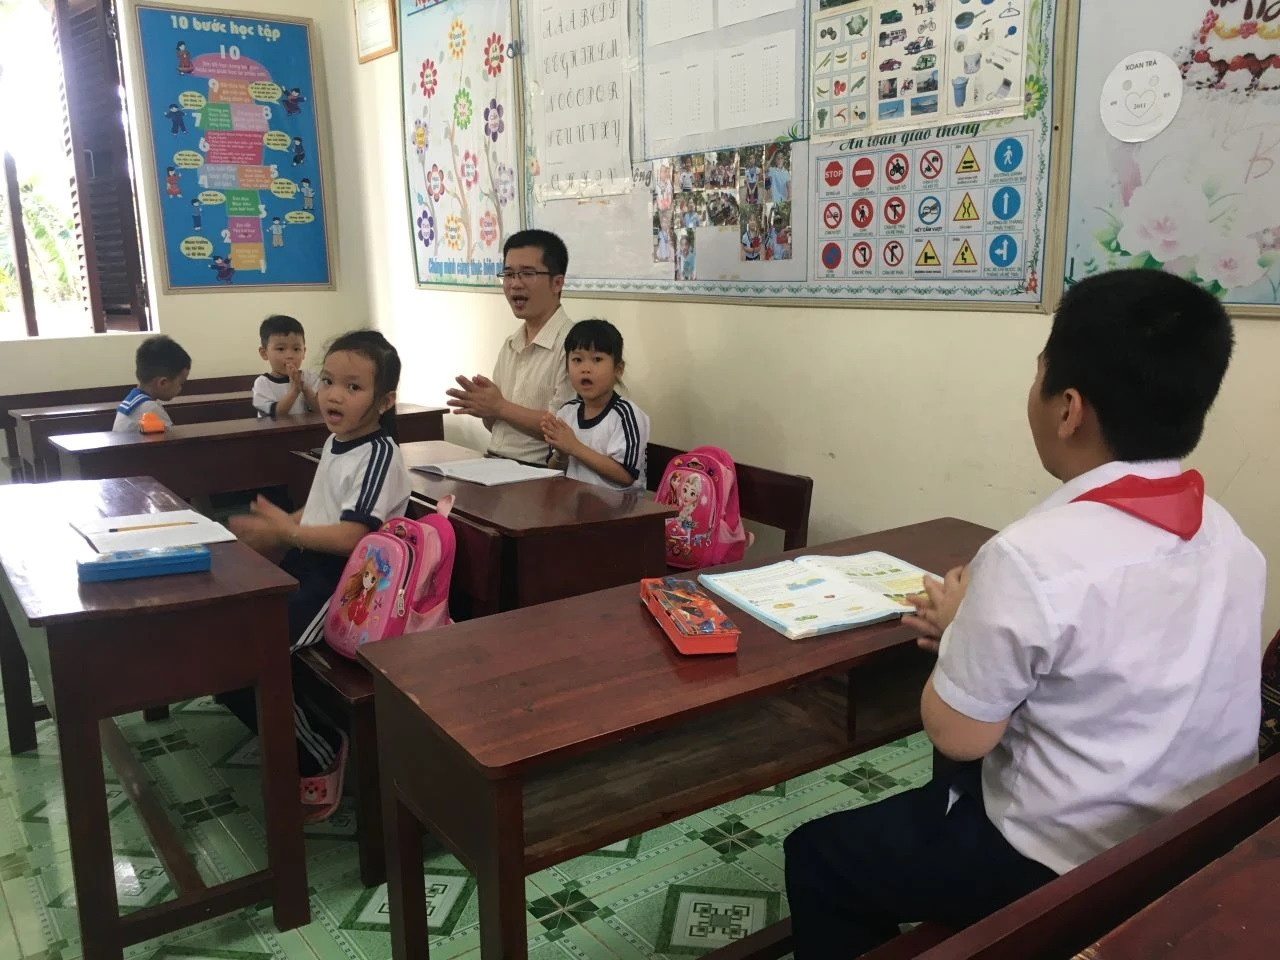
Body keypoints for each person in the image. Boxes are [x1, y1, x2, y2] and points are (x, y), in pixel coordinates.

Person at [784, 269, 1264, 959]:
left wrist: (961, 627)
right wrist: (974, 622)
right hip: (1191, 836)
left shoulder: (1030, 556)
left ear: (1069, 409)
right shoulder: (1229, 538)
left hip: (1066, 862)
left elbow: (957, 735)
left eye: (1038, 376)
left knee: (819, 855)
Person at [226, 330, 412, 823]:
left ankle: (320, 750)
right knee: (226, 644)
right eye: (328, 381)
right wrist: (282, 531)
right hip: (311, 564)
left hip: (347, 583)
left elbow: (353, 537)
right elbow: (324, 509)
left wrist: (289, 532)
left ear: (385, 400)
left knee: (251, 657)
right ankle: (294, 737)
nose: (333, 394)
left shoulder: (379, 454)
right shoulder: (337, 442)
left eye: (353, 387)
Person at [446, 229, 575, 464]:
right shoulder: (511, 344)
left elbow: (562, 428)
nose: (515, 284)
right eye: (508, 274)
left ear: (557, 282)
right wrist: (485, 408)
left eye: (527, 273)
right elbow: (496, 424)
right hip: (495, 462)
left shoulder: (573, 345)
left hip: (541, 473)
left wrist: (499, 406)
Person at [541, 319, 649, 490]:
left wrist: (574, 447)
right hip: (574, 506)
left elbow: (626, 475)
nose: (586, 368)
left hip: (619, 511)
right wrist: (562, 454)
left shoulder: (626, 415)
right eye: (577, 360)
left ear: (618, 369)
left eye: (597, 359)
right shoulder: (566, 412)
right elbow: (553, 471)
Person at [112, 335, 190, 432]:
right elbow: (173, 441)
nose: (180, 389)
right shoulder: (150, 409)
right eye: (181, 383)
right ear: (163, 383)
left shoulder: (132, 400)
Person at [253, 314, 320, 417]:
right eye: (280, 349)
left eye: (296, 349)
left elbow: (320, 410)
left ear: (304, 352)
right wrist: (295, 390)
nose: (290, 356)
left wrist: (305, 388)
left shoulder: (310, 377)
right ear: (264, 353)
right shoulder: (262, 384)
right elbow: (275, 417)